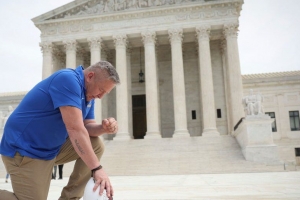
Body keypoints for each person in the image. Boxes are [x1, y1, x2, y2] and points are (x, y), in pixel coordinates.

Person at [0, 61, 120, 200]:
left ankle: (70, 198)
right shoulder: (67, 79)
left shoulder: (88, 95)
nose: (101, 96)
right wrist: (97, 169)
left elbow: (86, 127)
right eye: (101, 90)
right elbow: (75, 129)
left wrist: (102, 128)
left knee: (96, 144)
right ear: (90, 76)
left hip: (49, 149)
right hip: (24, 149)